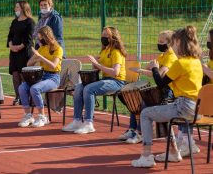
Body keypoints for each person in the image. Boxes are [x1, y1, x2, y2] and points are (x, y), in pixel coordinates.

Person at [131, 26, 203, 168]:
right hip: (197, 110)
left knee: (145, 113)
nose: (172, 47)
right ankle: (174, 152)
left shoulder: (180, 63)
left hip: (183, 107)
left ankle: (146, 155)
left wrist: (154, 68)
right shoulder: (196, 61)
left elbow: (160, 84)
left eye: (174, 43)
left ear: (179, 44)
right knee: (163, 110)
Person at [62, 26, 126, 134]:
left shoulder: (116, 52)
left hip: (117, 82)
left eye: (106, 35)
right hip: (106, 80)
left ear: (113, 37)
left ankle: (88, 123)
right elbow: (96, 70)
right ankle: (77, 120)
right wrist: (94, 64)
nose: (103, 37)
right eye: (102, 35)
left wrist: (98, 65)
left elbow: (116, 72)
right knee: (78, 87)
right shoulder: (104, 51)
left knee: (89, 89)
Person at [118, 30, 177, 144]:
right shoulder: (162, 56)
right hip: (161, 89)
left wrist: (142, 70)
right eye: (158, 41)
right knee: (138, 98)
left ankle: (140, 133)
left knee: (144, 102)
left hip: (169, 91)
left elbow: (159, 73)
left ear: (169, 43)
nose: (159, 43)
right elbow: (150, 68)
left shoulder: (171, 57)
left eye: (161, 41)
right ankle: (132, 129)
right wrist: (146, 68)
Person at [18, 26, 63, 127]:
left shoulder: (58, 49)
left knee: (34, 88)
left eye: (40, 38)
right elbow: (28, 64)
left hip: (53, 78)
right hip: (41, 76)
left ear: (47, 37)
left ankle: (42, 116)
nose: (39, 40)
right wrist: (35, 58)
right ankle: (28, 115)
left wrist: (41, 58)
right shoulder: (41, 48)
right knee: (22, 87)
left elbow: (54, 65)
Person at [7, 1, 35, 105]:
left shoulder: (30, 22)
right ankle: (18, 96)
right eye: (15, 7)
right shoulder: (14, 21)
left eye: (17, 7)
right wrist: (11, 46)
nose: (15, 9)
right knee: (15, 75)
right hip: (14, 53)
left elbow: (29, 38)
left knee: (24, 76)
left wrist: (20, 47)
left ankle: (26, 97)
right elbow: (10, 35)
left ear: (23, 8)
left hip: (25, 53)